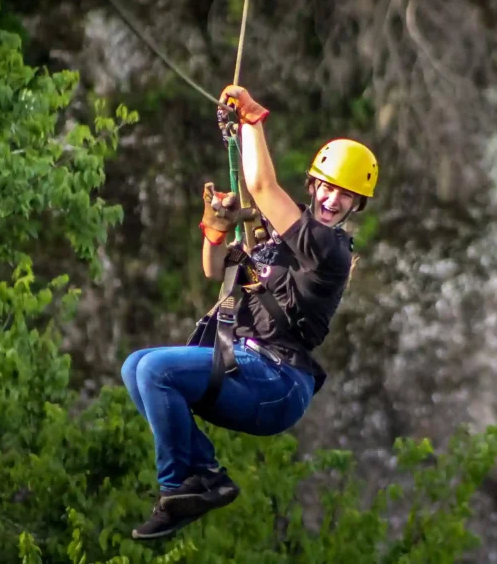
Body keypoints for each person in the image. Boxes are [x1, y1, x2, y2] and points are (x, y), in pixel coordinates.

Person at [121, 85, 379, 539]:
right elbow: (214, 271)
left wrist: (250, 120)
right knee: (135, 367)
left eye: (345, 195)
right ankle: (203, 474)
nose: (332, 199)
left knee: (156, 370)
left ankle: (180, 486)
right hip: (247, 363)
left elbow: (261, 186)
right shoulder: (280, 236)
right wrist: (216, 229)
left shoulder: (327, 249)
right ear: (313, 184)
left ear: (356, 206)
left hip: (278, 381)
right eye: (327, 186)